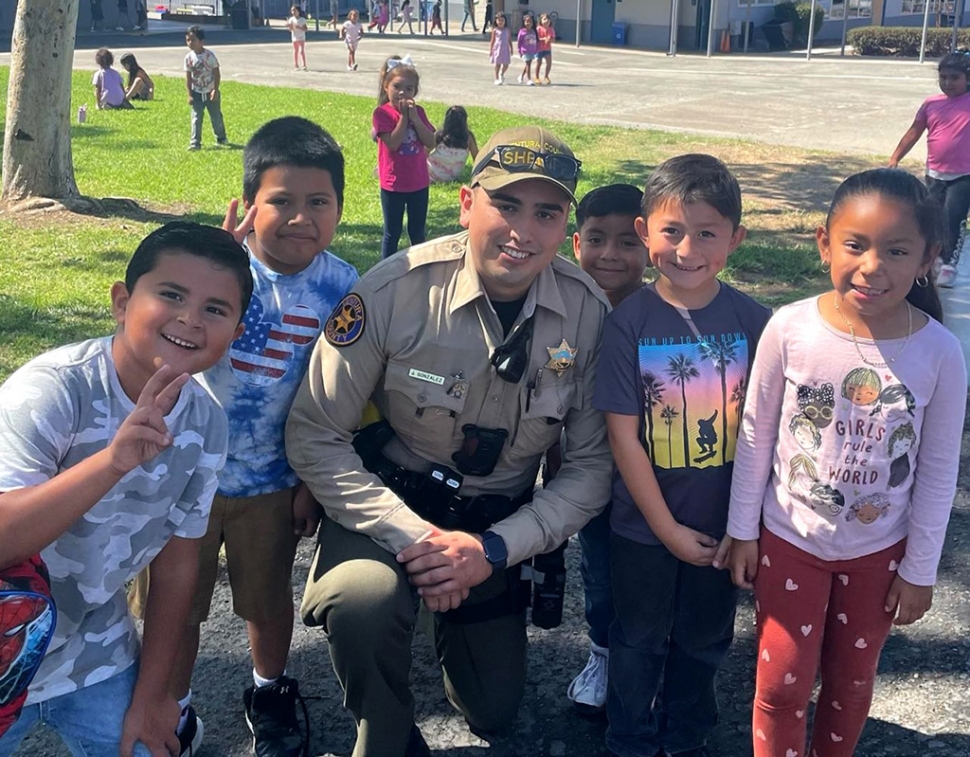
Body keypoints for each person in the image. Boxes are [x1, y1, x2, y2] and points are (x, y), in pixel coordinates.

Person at [285, 124, 612, 757]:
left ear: (564, 224)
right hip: (388, 505)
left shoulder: (587, 312)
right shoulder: (394, 290)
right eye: (505, 205)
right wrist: (421, 541)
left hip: (492, 526)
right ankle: (384, 729)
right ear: (467, 203)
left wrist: (489, 550)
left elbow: (592, 467)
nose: (523, 230)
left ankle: (449, 610)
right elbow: (316, 433)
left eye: (546, 213)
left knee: (492, 711)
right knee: (364, 601)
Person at [129, 117, 358, 757]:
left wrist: (314, 482)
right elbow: (146, 336)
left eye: (319, 202)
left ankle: (270, 687)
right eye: (280, 200)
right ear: (250, 202)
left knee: (267, 599)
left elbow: (343, 393)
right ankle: (172, 704)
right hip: (179, 476)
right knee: (175, 606)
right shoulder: (214, 270)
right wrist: (214, 267)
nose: (299, 218)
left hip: (272, 482)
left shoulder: (343, 287)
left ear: (341, 208)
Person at [717, 168, 965, 757]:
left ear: (929, 257)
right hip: (789, 541)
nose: (873, 265)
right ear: (824, 242)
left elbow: (937, 469)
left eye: (897, 250)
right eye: (855, 245)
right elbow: (756, 433)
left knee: (852, 687)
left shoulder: (941, 352)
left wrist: (920, 568)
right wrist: (741, 529)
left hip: (880, 554)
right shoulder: (790, 328)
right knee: (781, 687)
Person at [0, 222, 252, 757]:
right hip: (6, 646)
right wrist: (112, 462)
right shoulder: (53, 391)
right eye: (171, 295)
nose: (189, 318)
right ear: (121, 301)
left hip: (94, 655)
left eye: (215, 308)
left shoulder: (207, 424)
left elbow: (178, 565)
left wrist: (154, 694)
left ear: (237, 330)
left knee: (149, 747)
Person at [595, 154, 771, 757]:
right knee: (638, 637)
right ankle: (630, 738)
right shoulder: (629, 323)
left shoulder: (756, 323)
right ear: (646, 233)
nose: (687, 248)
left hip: (727, 529)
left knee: (704, 638)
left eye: (707, 233)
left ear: (736, 240)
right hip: (643, 531)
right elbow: (624, 438)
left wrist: (744, 528)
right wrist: (665, 528)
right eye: (671, 230)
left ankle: (688, 733)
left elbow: (765, 435)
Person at [553, 184, 647, 716]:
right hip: (588, 475)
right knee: (600, 569)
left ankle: (653, 661)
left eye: (625, 242)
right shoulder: (561, 311)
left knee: (650, 572)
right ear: (575, 242)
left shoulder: (661, 314)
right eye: (595, 239)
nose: (609, 254)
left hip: (653, 477)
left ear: (647, 243)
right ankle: (603, 654)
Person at [890, 52, 970, 289]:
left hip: (965, 174)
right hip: (935, 172)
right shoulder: (932, 104)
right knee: (932, 217)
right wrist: (895, 157)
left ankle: (948, 265)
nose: (947, 83)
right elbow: (914, 131)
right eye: (943, 77)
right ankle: (932, 259)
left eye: (954, 78)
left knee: (952, 217)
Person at [373, 56, 436, 259]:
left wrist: (415, 118)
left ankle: (420, 267)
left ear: (414, 92)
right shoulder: (382, 114)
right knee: (392, 232)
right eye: (397, 86)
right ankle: (385, 270)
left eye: (408, 89)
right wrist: (403, 118)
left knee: (417, 232)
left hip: (418, 182)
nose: (402, 92)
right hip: (393, 184)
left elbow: (431, 142)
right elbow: (393, 143)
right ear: (386, 86)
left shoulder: (419, 112)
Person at [184, 25, 228, 151]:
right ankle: (195, 142)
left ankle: (221, 137)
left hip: (210, 91)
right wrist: (189, 94)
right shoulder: (188, 58)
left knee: (216, 116)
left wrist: (215, 89)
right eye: (188, 40)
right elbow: (188, 77)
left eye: (193, 40)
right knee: (196, 118)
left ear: (201, 41)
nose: (190, 43)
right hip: (196, 92)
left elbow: (216, 73)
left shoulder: (209, 56)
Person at [427, 105, 478, 183]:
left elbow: (425, 151)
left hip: (430, 174)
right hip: (451, 177)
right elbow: (477, 158)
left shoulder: (440, 135)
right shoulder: (468, 138)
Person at [489, 11, 512, 85]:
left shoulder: (507, 30)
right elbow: (492, 41)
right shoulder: (495, 30)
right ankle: (496, 78)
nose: (500, 22)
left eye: (502, 20)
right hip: (497, 49)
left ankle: (501, 73)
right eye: (499, 20)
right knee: (497, 64)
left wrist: (511, 48)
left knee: (506, 64)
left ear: (505, 21)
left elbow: (509, 40)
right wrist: (491, 50)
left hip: (505, 49)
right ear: (496, 21)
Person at [517, 13, 538, 86]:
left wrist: (536, 49)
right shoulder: (522, 31)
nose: (528, 23)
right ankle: (529, 79)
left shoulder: (533, 31)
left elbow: (535, 41)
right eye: (527, 21)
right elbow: (519, 42)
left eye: (530, 21)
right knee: (528, 64)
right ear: (524, 22)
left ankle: (521, 76)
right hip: (525, 51)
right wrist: (519, 51)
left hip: (532, 51)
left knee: (528, 65)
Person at [536, 13, 556, 85]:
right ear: (540, 21)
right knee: (539, 63)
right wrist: (543, 39)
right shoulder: (538, 29)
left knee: (549, 63)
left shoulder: (551, 29)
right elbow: (535, 38)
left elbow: (553, 39)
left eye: (548, 19)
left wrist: (550, 40)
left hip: (547, 49)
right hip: (539, 49)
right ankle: (537, 77)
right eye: (544, 19)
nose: (546, 21)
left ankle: (546, 76)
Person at [288, 5, 308, 70]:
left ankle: (304, 65)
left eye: (294, 10)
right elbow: (290, 29)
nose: (293, 12)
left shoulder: (302, 19)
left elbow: (305, 29)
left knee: (301, 50)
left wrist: (299, 27)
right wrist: (290, 26)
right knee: (295, 51)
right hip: (294, 37)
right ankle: (296, 65)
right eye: (292, 10)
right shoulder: (291, 19)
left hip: (301, 37)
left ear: (298, 11)